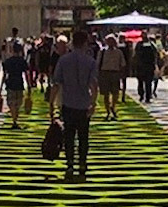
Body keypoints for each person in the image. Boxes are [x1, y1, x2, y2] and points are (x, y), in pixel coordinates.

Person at [49, 28, 98, 181]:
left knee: (69, 136)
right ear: (84, 43)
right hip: (83, 104)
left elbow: (56, 83)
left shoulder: (63, 60)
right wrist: (93, 103)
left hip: (68, 103)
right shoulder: (90, 61)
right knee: (84, 137)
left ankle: (70, 163)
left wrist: (51, 104)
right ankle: (82, 164)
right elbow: (93, 85)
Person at [0, 38, 29, 128]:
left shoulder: (8, 61)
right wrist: (29, 85)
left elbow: (4, 74)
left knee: (11, 102)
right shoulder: (22, 61)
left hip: (10, 83)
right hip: (19, 82)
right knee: (18, 102)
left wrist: (0, 87)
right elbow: (26, 74)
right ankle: (15, 119)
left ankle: (14, 119)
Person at [96, 34, 123, 120]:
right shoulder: (102, 51)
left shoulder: (118, 52)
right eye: (109, 41)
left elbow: (122, 64)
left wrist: (122, 73)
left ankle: (113, 107)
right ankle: (107, 111)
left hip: (115, 73)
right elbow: (98, 63)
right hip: (104, 73)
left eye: (112, 41)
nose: (111, 42)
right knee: (106, 94)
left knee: (115, 92)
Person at [134, 31, 157, 103]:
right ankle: (141, 95)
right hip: (140, 66)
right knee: (140, 82)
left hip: (149, 66)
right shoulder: (139, 44)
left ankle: (148, 96)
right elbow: (136, 55)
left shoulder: (152, 44)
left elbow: (155, 54)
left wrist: (155, 64)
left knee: (148, 82)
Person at [117, 35, 130, 104]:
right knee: (117, 82)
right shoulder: (117, 46)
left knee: (124, 82)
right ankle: (118, 96)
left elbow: (128, 56)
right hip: (117, 66)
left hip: (124, 66)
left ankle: (123, 96)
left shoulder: (126, 46)